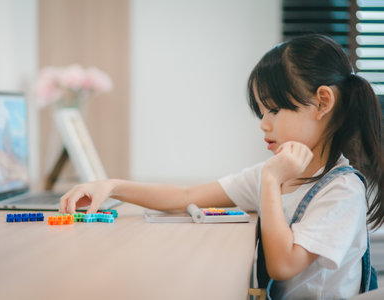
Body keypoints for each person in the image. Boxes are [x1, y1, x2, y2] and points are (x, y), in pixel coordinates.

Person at [59, 34, 384, 299]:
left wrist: (271, 180)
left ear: (322, 102)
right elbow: (187, 194)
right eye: (261, 113)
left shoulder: (341, 190)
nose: (263, 125)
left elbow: (284, 265)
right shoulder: (276, 173)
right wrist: (113, 186)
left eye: (273, 110)